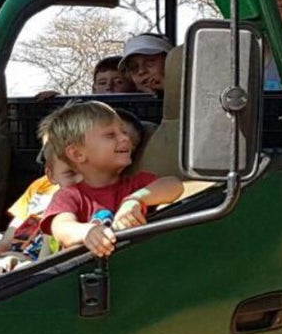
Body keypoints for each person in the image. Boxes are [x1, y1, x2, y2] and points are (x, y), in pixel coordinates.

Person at [39, 100, 184, 257]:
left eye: (124, 132)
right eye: (110, 135)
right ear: (77, 154)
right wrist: (88, 232)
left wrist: (135, 199)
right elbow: (62, 228)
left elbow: (174, 185)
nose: (124, 138)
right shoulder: (69, 196)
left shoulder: (137, 184)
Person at [0, 139, 81, 266]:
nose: (81, 179)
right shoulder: (40, 186)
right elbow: (16, 223)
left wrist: (32, 263)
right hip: (20, 248)